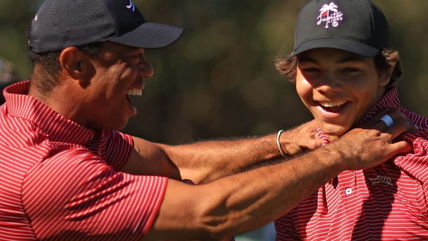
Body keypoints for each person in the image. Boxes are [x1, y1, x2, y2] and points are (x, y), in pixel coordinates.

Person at [0, 0, 411, 240]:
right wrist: (336, 157)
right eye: (132, 60)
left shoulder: (60, 129)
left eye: (350, 69)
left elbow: (173, 161)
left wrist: (282, 142)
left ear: (384, 73)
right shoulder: (46, 171)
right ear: (76, 64)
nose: (148, 73)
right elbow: (212, 213)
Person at [274, 0, 428, 240]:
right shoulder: (295, 171)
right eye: (313, 70)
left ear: (385, 71)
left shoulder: (422, 155)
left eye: (350, 70)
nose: (327, 87)